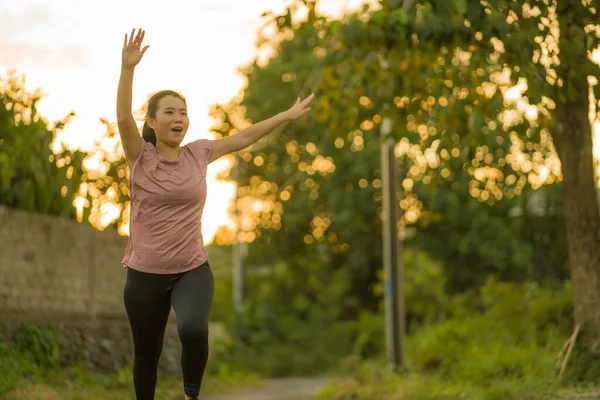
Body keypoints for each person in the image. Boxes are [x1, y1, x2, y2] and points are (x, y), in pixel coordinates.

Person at [116, 28, 314, 400]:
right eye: (170, 112)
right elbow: (124, 119)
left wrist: (285, 115)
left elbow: (244, 137)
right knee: (146, 356)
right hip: (144, 273)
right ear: (153, 122)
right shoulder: (140, 158)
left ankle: (191, 395)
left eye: (184, 112)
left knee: (192, 329)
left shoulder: (199, 153)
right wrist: (127, 69)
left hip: (191, 267)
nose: (179, 118)